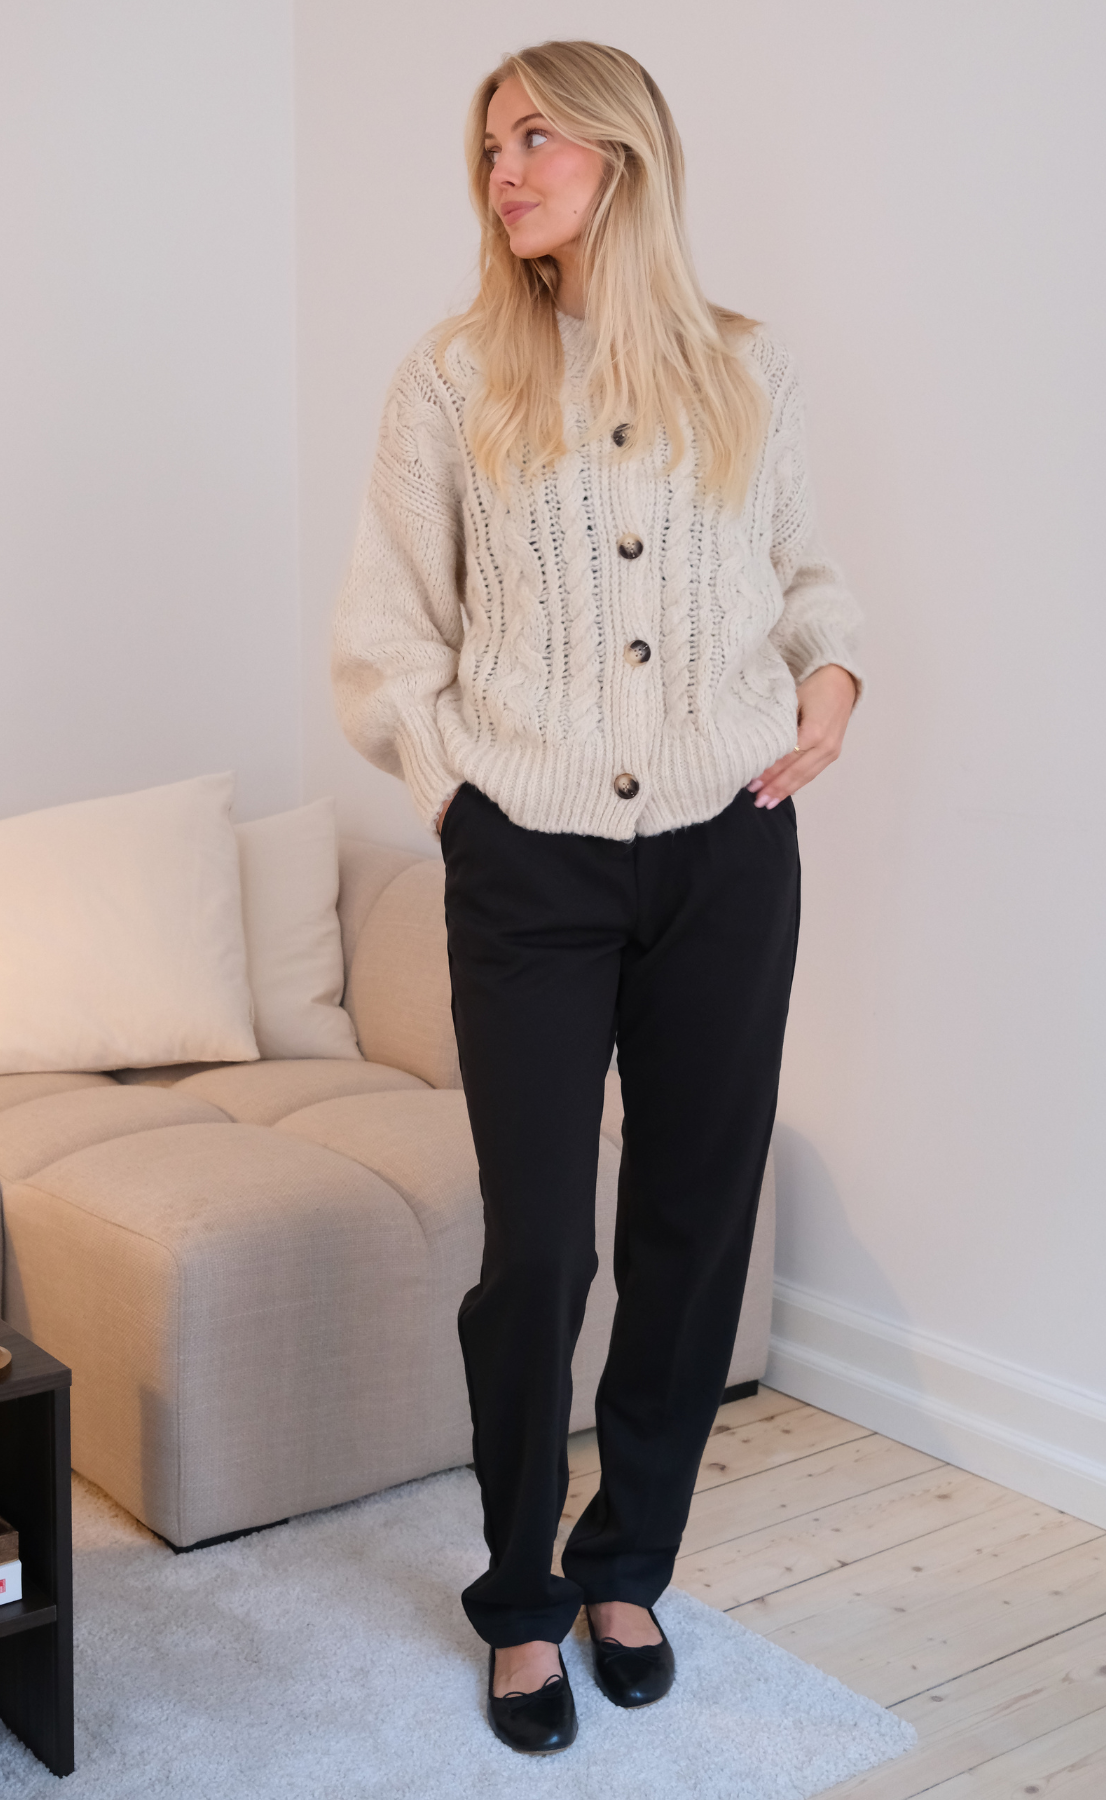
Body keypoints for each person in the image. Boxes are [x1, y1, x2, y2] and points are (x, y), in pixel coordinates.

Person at [331, 38, 862, 1757]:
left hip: (728, 849)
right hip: (530, 863)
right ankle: (518, 1594)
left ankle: (627, 1569)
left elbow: (802, 570)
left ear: (623, 156)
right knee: (541, 1248)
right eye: (489, 146)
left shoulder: (749, 370)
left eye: (535, 136)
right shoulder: (452, 378)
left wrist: (834, 671)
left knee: (695, 1228)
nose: (503, 169)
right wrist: (461, 798)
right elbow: (387, 632)